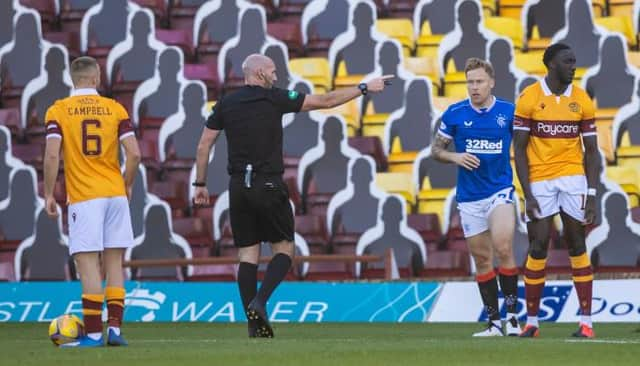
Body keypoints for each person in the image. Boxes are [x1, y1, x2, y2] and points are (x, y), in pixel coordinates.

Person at [193, 53, 392, 338]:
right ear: (259, 74)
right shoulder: (275, 98)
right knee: (285, 250)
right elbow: (324, 101)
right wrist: (363, 87)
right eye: (273, 72)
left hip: (237, 187)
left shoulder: (226, 103)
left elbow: (203, 146)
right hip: (269, 185)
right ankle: (260, 302)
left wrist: (200, 185)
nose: (276, 76)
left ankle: (253, 325)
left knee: (248, 255)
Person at [43, 56, 141, 347]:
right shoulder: (114, 108)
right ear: (97, 78)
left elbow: (51, 155)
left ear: (73, 79)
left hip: (85, 197)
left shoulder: (59, 110)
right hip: (115, 193)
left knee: (87, 265)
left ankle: (94, 334)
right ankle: (114, 330)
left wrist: (49, 194)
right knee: (114, 264)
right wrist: (128, 184)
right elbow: (134, 154)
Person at [513, 43, 598, 338]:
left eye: (574, 61)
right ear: (551, 65)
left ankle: (586, 322)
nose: (573, 66)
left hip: (573, 178)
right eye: (567, 61)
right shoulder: (529, 98)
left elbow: (593, 152)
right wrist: (528, 192)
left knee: (577, 244)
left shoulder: (582, 99)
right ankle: (532, 323)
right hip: (540, 180)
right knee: (538, 246)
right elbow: (519, 150)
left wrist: (592, 193)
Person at [431, 58, 519, 337]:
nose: (474, 87)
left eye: (479, 81)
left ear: (491, 82)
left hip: (500, 190)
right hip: (469, 197)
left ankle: (514, 317)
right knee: (482, 260)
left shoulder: (508, 112)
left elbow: (527, 146)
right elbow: (436, 150)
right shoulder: (455, 113)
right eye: (470, 82)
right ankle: (494, 323)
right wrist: (454, 155)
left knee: (503, 247)